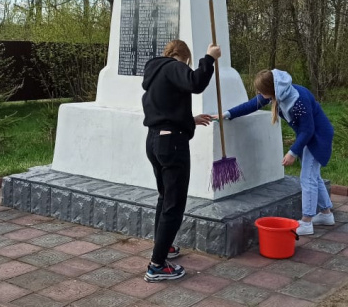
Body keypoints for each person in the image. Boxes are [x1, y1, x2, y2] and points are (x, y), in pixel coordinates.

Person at [141, 39, 221, 282]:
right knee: (174, 204)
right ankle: (156, 265)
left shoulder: (154, 73)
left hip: (155, 140)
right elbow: (195, 83)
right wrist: (209, 58)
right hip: (172, 144)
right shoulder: (174, 65)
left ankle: (163, 247)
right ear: (183, 57)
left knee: (165, 198)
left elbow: (166, 109)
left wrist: (189, 119)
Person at [219, 69, 334, 235]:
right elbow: (252, 104)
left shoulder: (298, 99)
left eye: (261, 91)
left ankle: (307, 222)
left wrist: (292, 152)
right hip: (309, 136)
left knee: (307, 178)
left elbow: (308, 131)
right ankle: (326, 214)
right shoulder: (278, 93)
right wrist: (228, 114)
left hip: (317, 137)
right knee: (313, 176)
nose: (258, 93)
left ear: (271, 90)